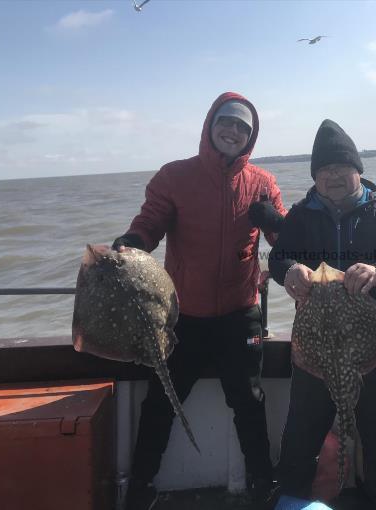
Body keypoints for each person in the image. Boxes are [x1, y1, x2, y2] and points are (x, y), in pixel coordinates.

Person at [112, 92, 287, 510]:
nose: (233, 131)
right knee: (160, 403)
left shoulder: (262, 183)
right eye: (226, 123)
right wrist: (131, 243)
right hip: (182, 316)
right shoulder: (174, 176)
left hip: (240, 314)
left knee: (249, 401)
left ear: (251, 137)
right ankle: (140, 487)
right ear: (210, 126)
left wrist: (276, 222)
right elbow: (149, 224)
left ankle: (262, 483)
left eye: (242, 127)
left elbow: (287, 243)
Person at [268, 119, 376, 510]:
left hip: (372, 347)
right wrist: (289, 271)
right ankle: (293, 499)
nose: (332, 176)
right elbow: (278, 256)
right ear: (315, 177)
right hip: (317, 345)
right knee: (301, 434)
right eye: (324, 170)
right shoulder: (301, 215)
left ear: (358, 171)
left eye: (341, 168)